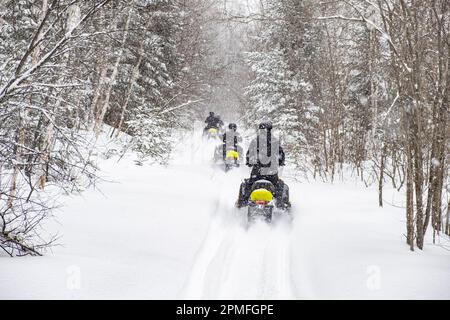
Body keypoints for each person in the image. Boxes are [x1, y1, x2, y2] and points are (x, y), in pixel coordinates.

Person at [236, 122, 291, 209]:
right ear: (270, 129)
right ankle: (282, 206)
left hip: (256, 175)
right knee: (280, 186)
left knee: (246, 186)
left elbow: (248, 157)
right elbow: (281, 157)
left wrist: (250, 162)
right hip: (272, 175)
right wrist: (279, 162)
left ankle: (242, 204)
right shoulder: (275, 141)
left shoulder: (255, 141)